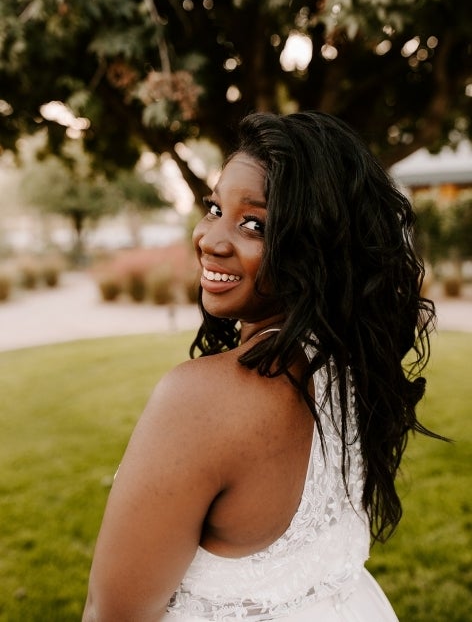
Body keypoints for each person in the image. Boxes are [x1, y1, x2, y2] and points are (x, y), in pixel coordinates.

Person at [82, 111, 437, 621]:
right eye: (214, 207)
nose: (211, 239)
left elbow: (112, 612)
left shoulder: (203, 399)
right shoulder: (348, 363)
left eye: (254, 224)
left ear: (318, 244)